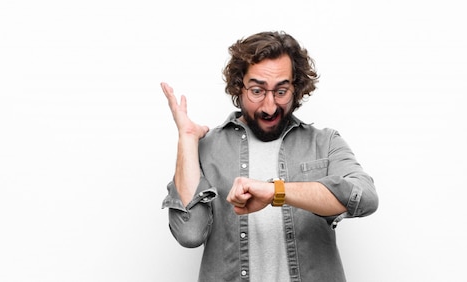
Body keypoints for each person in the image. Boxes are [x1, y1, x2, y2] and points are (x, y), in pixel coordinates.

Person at [161, 31, 378, 282]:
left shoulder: (324, 142)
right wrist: (187, 138)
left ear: (296, 89)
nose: (270, 106)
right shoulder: (207, 148)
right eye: (257, 91)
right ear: (238, 86)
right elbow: (189, 233)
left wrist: (276, 192)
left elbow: (365, 197)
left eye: (281, 91)